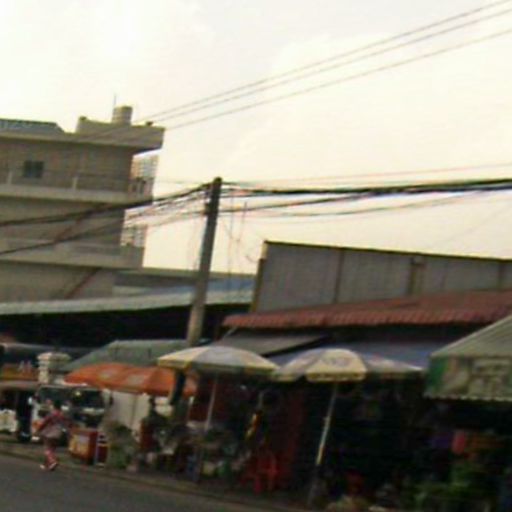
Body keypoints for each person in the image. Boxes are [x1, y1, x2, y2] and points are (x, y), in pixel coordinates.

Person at [34, 400, 69, 471]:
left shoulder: (52, 414)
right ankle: (47, 465)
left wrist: (38, 430)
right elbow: (67, 423)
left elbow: (44, 423)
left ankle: (53, 461)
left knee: (47, 449)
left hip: (50, 433)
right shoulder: (62, 415)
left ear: (54, 406)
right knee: (52, 450)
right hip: (59, 433)